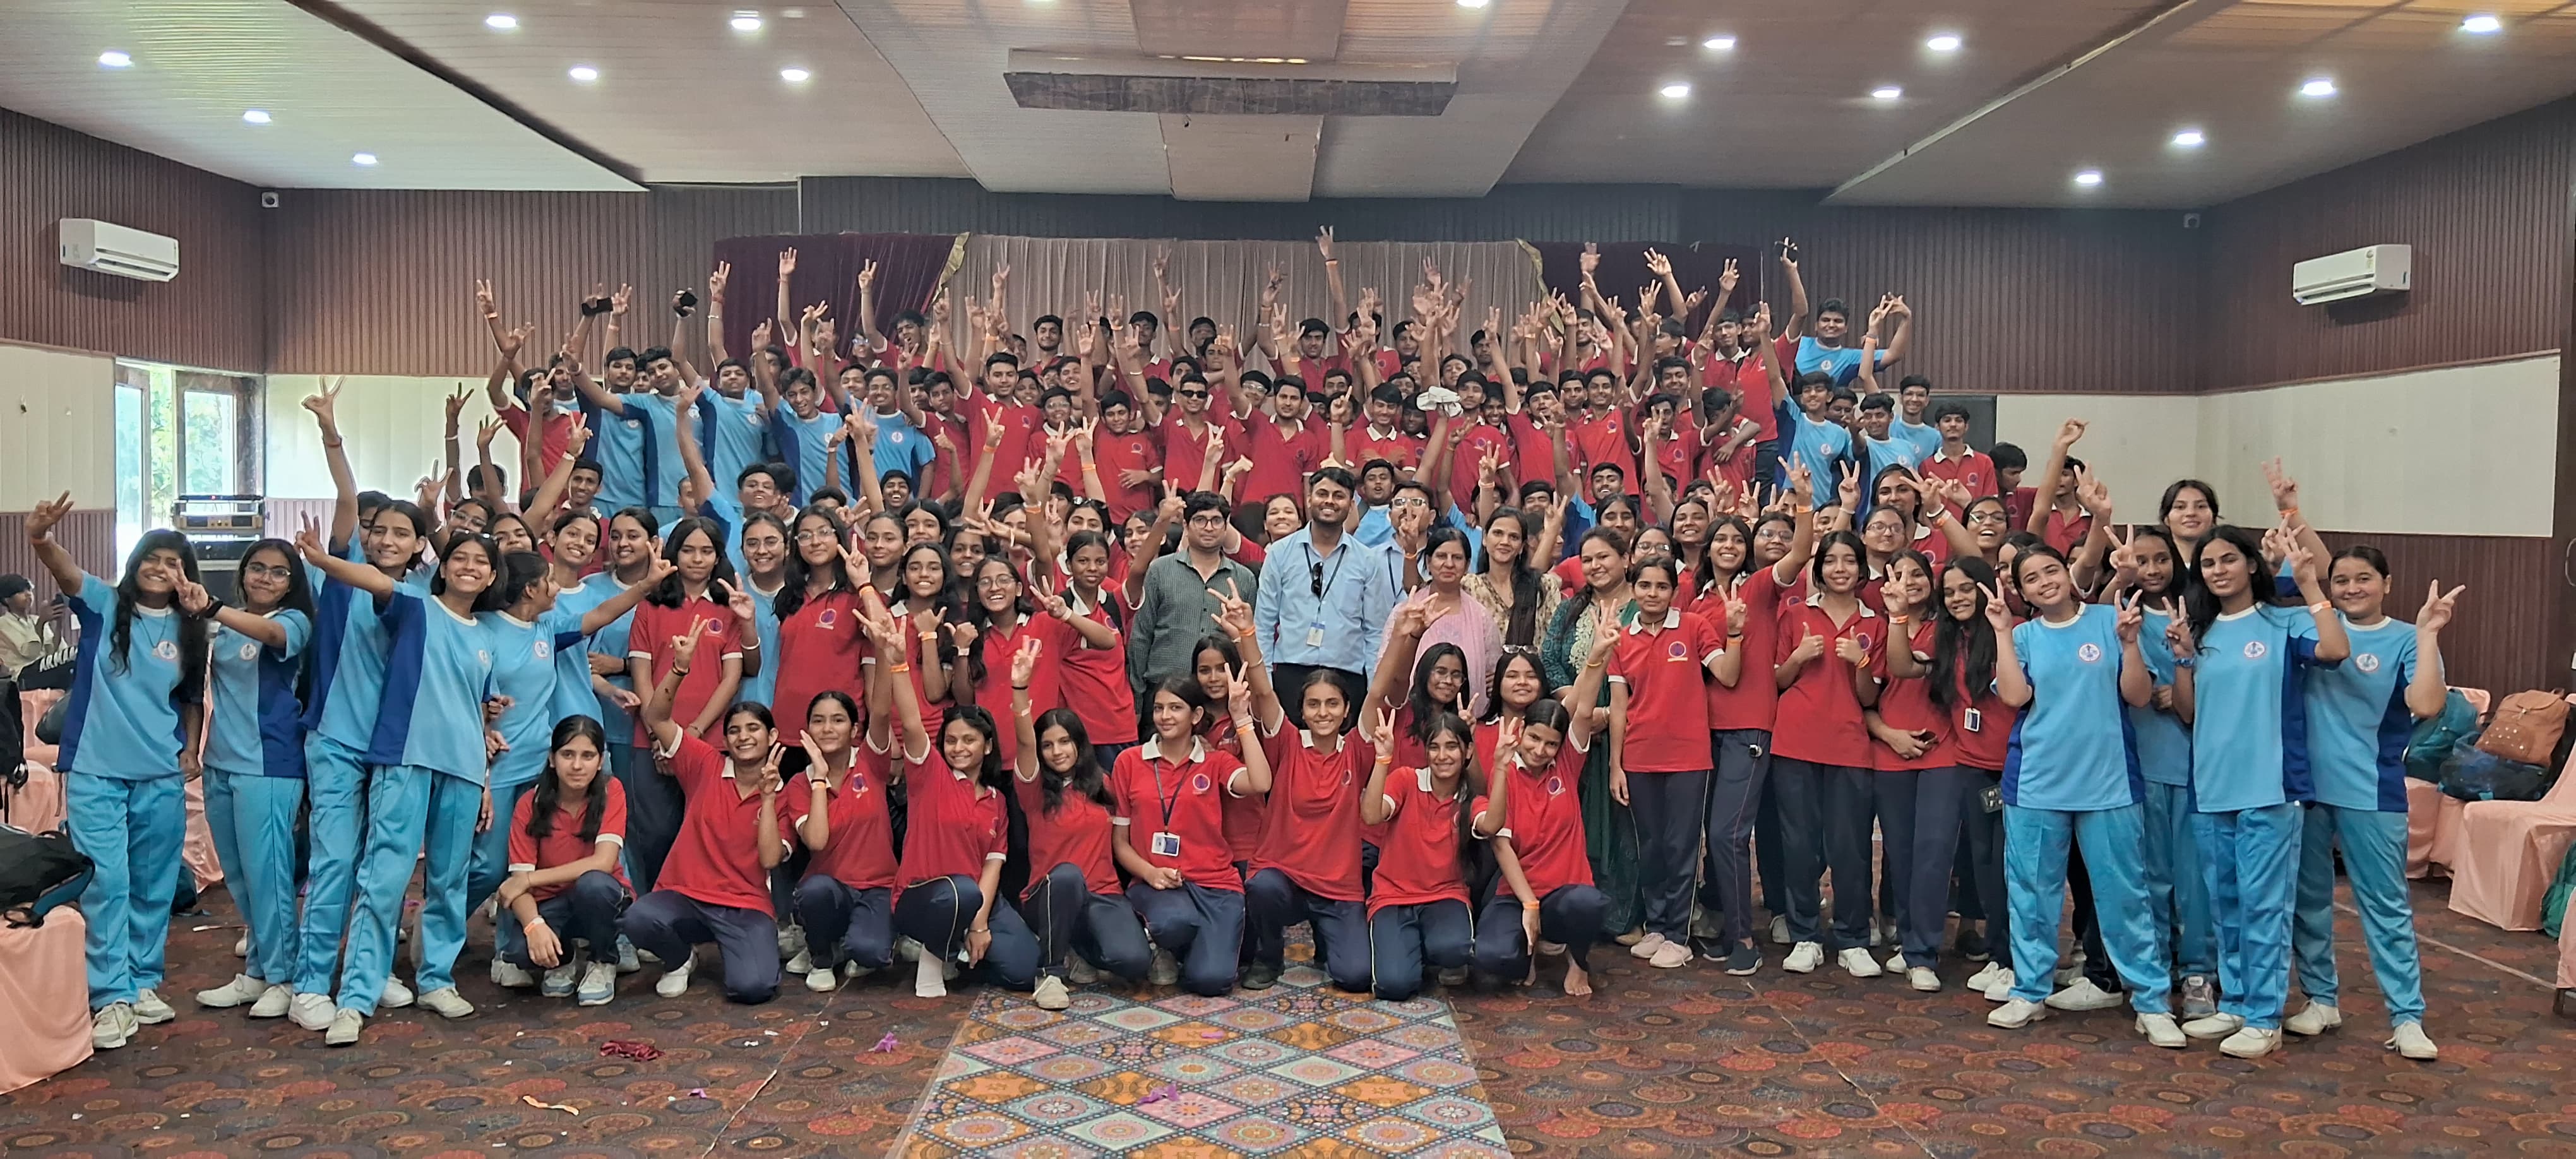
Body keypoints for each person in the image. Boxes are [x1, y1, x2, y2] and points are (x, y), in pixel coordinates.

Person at [294, 523, 506, 1046]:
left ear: (492, 577)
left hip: (462, 768)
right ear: (442, 567)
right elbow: (373, 580)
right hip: (405, 759)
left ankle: (436, 979)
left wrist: (484, 776)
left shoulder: (487, 636)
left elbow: (482, 710)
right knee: (382, 880)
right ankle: (356, 997)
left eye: (481, 562)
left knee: (449, 881)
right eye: (460, 558)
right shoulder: (415, 606)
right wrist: (324, 562)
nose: (470, 567)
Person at [1976, 544, 2183, 1048]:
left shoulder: (2109, 620)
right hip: (2037, 783)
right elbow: (2014, 697)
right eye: (2031, 578)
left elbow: (2138, 696)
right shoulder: (2022, 635)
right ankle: (2030, 990)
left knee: (2124, 894)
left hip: (2108, 782)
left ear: (2069, 575)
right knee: (2032, 892)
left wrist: (2130, 645)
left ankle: (2151, 1000)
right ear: (2022, 592)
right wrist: (2001, 631)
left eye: (2051, 570)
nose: (2045, 581)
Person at [24, 496, 206, 1050]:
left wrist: (190, 750)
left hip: (159, 772)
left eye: (173, 562)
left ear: (185, 573)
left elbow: (190, 695)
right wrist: (40, 538)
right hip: (97, 769)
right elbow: (65, 571)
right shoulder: (104, 604)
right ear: (136, 561)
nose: (161, 568)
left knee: (153, 882)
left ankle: (143, 980)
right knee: (106, 880)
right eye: (152, 557)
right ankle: (110, 996)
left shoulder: (191, 625)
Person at [2166, 523, 2349, 1059]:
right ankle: (2238, 1002)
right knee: (2225, 902)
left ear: (2251, 564)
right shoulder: (2201, 631)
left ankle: (2266, 1017)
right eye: (2208, 564)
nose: (2218, 570)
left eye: (2228, 559)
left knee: (2264, 905)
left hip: (2270, 786)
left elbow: (2336, 649)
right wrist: (2183, 658)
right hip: (2211, 786)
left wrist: (2310, 584)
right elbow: (2188, 713)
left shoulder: (2285, 622)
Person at [2287, 550, 2458, 1061]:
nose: (2352, 588)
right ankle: (2321, 999)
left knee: (2385, 906)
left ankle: (2407, 1018)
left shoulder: (2406, 637)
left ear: (2387, 583)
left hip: (2372, 790)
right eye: (2341, 579)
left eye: (2364, 578)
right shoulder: (2311, 626)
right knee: (2309, 902)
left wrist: (2429, 635)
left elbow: (2426, 705)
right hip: (2306, 787)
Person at [472, 549, 664, 987]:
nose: (557, 588)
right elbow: (469, 688)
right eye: (549, 581)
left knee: (526, 862)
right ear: (530, 589)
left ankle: (515, 949)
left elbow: (599, 615)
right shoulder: (484, 629)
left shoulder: (547, 628)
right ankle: (444, 929)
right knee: (491, 866)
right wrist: (482, 725)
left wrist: (646, 585)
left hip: (540, 762)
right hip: (495, 765)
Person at [867, 609, 1043, 999]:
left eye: (969, 740)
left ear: (988, 746)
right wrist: (898, 666)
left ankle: (962, 949)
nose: (958, 748)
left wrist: (979, 925)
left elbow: (992, 870)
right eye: (951, 740)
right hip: (925, 898)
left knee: (1024, 969)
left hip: (974, 900)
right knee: (960, 891)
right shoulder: (930, 775)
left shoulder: (997, 801)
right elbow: (911, 724)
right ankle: (936, 952)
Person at [623, 619, 792, 1004]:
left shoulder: (788, 793)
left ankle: (743, 947)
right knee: (638, 919)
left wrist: (768, 799)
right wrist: (679, 668)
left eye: (753, 729)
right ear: (726, 740)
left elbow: (770, 859)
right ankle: (681, 959)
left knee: (754, 988)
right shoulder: (705, 765)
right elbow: (658, 719)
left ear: (772, 737)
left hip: (745, 905)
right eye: (734, 731)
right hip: (685, 896)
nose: (743, 737)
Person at [183, 538, 315, 1019]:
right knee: (239, 877)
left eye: (279, 572)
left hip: (270, 765)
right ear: (243, 574)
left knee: (270, 876)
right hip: (222, 762)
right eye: (257, 568)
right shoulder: (224, 627)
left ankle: (284, 976)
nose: (265, 578)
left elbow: (273, 636)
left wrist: (213, 607)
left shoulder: (293, 621)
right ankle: (259, 970)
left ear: (292, 583)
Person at [1606, 554, 1742, 970]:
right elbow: (1618, 706)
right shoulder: (1620, 639)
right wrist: (1616, 765)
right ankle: (1658, 925)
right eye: (1645, 586)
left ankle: (1678, 935)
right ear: (1633, 590)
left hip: (1688, 757)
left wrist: (1735, 633)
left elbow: (1728, 676)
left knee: (1681, 847)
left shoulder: (1694, 627)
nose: (1653, 594)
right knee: (1650, 848)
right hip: (1639, 757)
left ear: (1674, 591)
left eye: (1662, 586)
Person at [1112, 672, 1274, 997]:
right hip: (1158, 884)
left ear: (1196, 715)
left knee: (1211, 982)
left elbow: (1261, 782)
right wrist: (1150, 872)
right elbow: (1120, 842)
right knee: (1174, 923)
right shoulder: (1129, 761)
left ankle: (1192, 954)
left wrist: (1242, 719)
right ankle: (1163, 945)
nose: (1165, 716)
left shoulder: (1215, 762)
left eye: (1176, 708)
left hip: (1216, 885)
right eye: (1159, 708)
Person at [1010, 650, 1155, 1007]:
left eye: (1065, 742)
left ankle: (1078, 949)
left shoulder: (1102, 783)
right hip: (1050, 895)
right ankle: (1050, 973)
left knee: (1134, 962)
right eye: (1048, 745)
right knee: (1068, 876)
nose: (1057, 752)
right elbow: (1024, 741)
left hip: (1102, 895)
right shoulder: (1033, 789)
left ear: (1079, 744)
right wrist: (1020, 688)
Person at [1770, 530, 1885, 978]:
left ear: (1861, 569)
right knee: (1798, 844)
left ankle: (1853, 938)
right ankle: (1805, 935)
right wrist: (1799, 657)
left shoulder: (1875, 624)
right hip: (1795, 742)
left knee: (1850, 846)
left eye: (1849, 561)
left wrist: (1861, 661)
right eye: (1831, 561)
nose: (1840, 569)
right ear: (1819, 570)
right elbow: (1778, 681)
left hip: (1850, 745)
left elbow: (1870, 697)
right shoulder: (1796, 615)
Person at [2115, 526, 2217, 1018]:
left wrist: (2183, 687)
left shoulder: (2202, 615)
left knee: (2194, 878)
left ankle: (2199, 971)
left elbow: (2220, 685)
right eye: (2141, 561)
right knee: (2149, 875)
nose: (2152, 570)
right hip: (2141, 761)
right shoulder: (2121, 613)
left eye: (2161, 558)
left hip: (2196, 764)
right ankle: (2152, 967)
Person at [1470, 683, 1611, 996]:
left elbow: (1583, 709)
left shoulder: (1567, 764)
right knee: (1491, 956)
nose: (1539, 750)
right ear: (1521, 731)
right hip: (1518, 893)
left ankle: (1579, 961)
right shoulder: (1504, 774)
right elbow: (1500, 845)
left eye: (1551, 744)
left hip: (1565, 892)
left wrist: (1598, 659)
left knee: (1587, 903)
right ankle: (1527, 952)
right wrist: (1529, 903)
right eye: (1534, 738)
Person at [1243, 670, 1377, 993]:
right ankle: (1269, 956)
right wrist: (1244, 641)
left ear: (1347, 710)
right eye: (1313, 704)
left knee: (1355, 977)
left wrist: (1405, 642)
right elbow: (1264, 692)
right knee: (1262, 887)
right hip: (1286, 878)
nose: (1323, 712)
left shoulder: (1356, 750)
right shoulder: (1287, 742)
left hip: (1337, 888)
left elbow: (1379, 691)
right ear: (1301, 711)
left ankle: (1326, 935)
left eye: (1332, 703)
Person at [1538, 528, 1642, 939]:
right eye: (1588, 559)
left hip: (1631, 733)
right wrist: (1579, 708)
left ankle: (1624, 918)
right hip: (1576, 734)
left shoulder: (1645, 605)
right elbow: (1550, 660)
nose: (1595, 566)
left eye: (1604, 557)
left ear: (1626, 559)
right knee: (1580, 822)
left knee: (1625, 825)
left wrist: (1609, 714)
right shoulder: (1572, 609)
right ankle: (1585, 914)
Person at [494, 716, 632, 1006]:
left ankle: (603, 960)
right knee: (520, 953)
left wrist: (529, 879)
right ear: (552, 759)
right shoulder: (530, 803)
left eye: (587, 756)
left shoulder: (612, 790)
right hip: (551, 904)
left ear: (601, 761)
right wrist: (534, 926)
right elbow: (518, 885)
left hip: (599, 898)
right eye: (567, 755)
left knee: (594, 885)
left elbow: (603, 862)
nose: (577, 765)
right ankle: (564, 958)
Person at [1253, 468, 1397, 725]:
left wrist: (1373, 689)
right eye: (1322, 494)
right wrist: (1266, 684)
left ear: (1351, 505)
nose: (1329, 501)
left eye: (1339, 496)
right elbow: (1263, 624)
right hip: (1290, 672)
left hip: (1347, 675)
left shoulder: (1367, 561)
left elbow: (1375, 631)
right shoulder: (1280, 553)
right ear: (1309, 499)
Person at [784, 690, 898, 992]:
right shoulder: (799, 784)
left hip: (878, 886)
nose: (827, 729)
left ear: (855, 729)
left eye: (838, 720)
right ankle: (821, 957)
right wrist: (819, 778)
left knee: (870, 952)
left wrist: (888, 662)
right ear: (808, 730)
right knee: (814, 891)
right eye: (818, 721)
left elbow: (881, 712)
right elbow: (817, 841)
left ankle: (847, 942)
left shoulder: (871, 762)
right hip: (828, 890)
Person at [1361, 708, 1477, 1001]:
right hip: (1393, 896)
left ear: (1467, 751)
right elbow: (1372, 816)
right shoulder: (1406, 779)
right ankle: (1409, 949)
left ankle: (1430, 948)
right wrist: (1383, 759)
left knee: (1454, 949)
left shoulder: (1470, 795)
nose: (1442, 756)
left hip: (1445, 896)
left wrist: (1500, 766)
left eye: (1451, 747)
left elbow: (1493, 823)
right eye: (1434, 747)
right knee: (1395, 986)